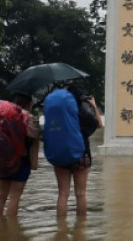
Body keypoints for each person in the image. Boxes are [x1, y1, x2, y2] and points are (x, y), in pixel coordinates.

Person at [53, 84, 102, 217]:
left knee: (63, 194)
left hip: (61, 155)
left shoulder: (58, 114)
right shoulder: (82, 115)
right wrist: (94, 106)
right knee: (81, 194)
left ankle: (61, 230)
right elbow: (99, 124)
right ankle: (80, 229)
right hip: (81, 155)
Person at [0, 93, 40, 218]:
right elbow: (37, 136)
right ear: (28, 104)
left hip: (2, 161)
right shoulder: (29, 118)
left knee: (1, 196)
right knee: (15, 198)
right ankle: (12, 231)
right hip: (21, 162)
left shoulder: (3, 116)